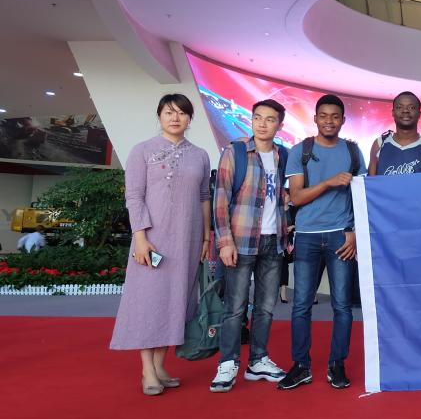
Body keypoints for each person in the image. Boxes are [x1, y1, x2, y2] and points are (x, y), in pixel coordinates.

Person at [110, 94, 212, 396]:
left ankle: (160, 366)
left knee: (175, 302)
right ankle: (147, 370)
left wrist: (206, 237)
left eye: (181, 113)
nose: (175, 118)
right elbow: (134, 196)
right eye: (169, 112)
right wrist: (140, 237)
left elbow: (204, 198)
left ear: (190, 119)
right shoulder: (142, 151)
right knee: (149, 301)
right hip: (152, 241)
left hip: (188, 241)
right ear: (159, 116)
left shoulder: (200, 155)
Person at [278, 94, 366, 390]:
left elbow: (362, 197)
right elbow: (297, 197)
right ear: (315, 119)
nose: (329, 121)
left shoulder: (353, 152)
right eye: (324, 116)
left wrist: (354, 231)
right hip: (307, 236)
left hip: (342, 235)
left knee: (342, 306)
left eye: (335, 116)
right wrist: (328, 182)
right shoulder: (300, 150)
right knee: (301, 305)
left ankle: (337, 364)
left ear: (343, 120)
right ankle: (301, 365)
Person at [209, 99, 290, 392]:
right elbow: (220, 199)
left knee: (266, 308)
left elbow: (284, 198)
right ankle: (227, 363)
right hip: (241, 241)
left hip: (273, 242)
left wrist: (286, 232)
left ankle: (258, 361)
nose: (262, 124)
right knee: (235, 307)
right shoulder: (236, 152)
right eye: (258, 117)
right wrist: (224, 242)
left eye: (270, 119)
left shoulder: (284, 155)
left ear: (279, 124)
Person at [368, 91, 421, 176]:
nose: (405, 111)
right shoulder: (379, 144)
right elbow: (370, 181)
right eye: (399, 107)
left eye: (412, 107)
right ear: (393, 112)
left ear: (419, 114)